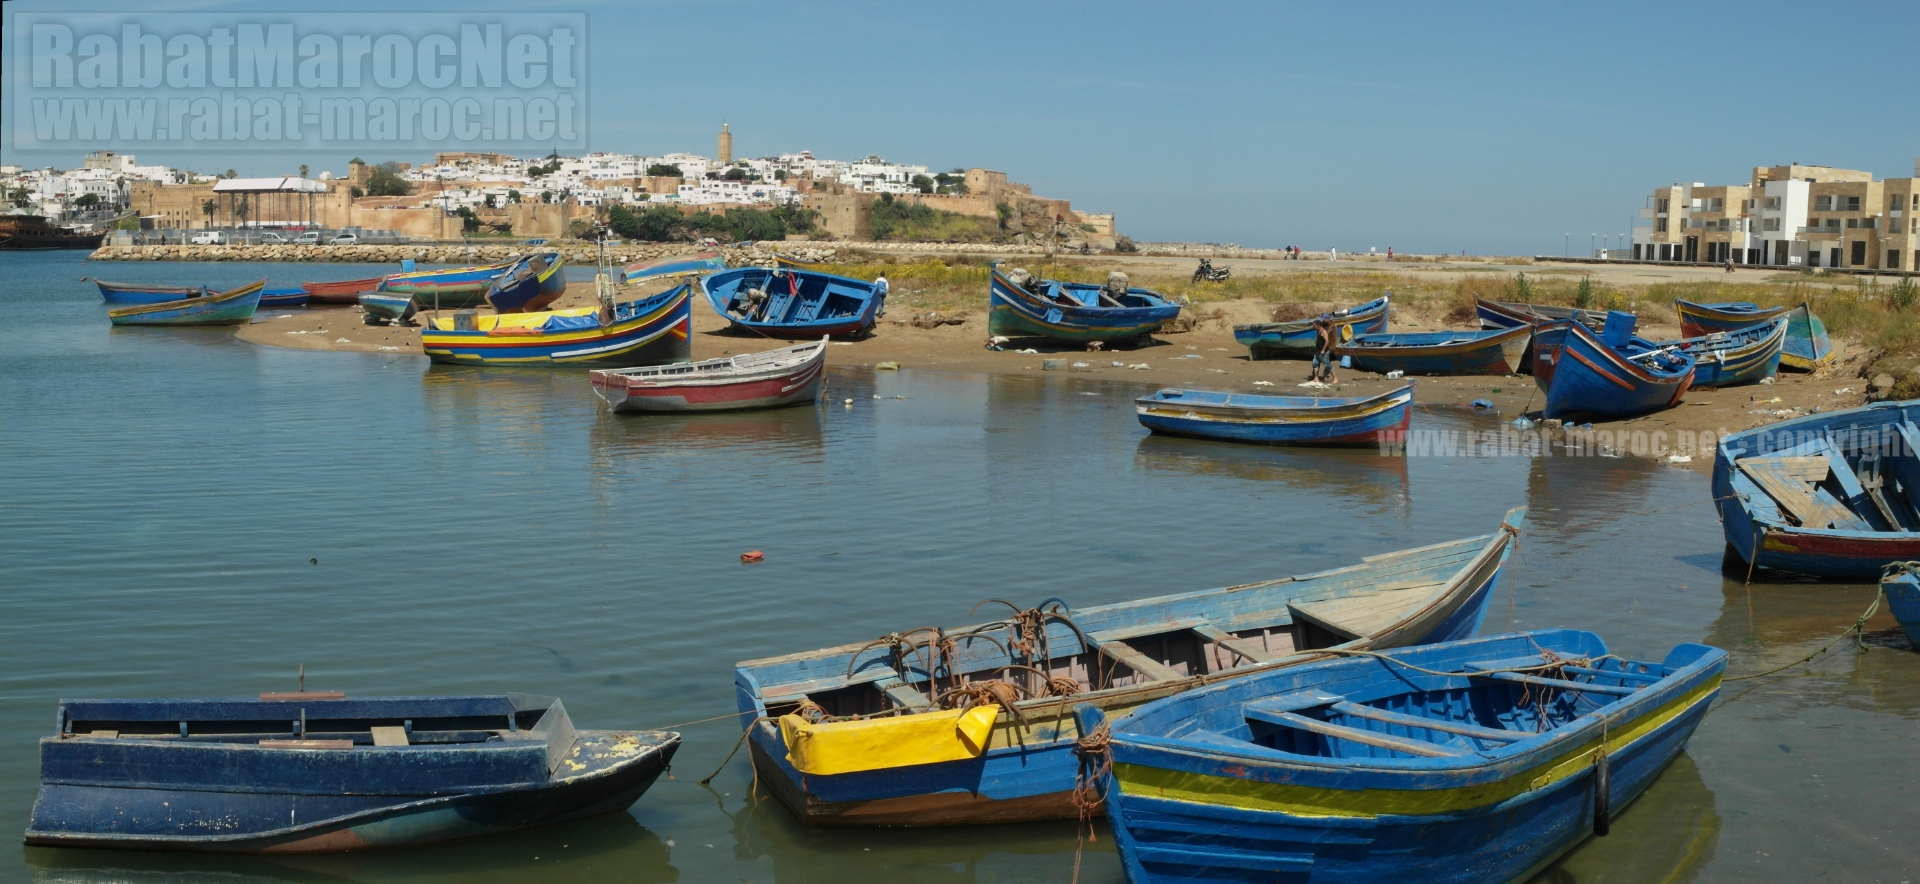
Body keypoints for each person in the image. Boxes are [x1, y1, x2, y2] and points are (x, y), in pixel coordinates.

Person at [1311, 314, 1338, 383]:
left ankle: (1335, 378)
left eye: (1314, 326)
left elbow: (1329, 340)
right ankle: (1316, 378)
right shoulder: (1319, 329)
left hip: (1325, 349)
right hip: (1318, 349)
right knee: (1315, 363)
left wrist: (1325, 349)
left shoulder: (1328, 329)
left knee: (1326, 363)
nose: (1313, 327)